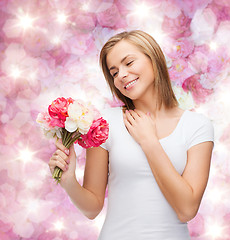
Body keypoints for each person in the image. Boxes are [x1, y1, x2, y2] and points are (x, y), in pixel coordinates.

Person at [49, 30, 214, 240]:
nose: (122, 75)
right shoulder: (104, 123)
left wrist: (149, 142)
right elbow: (92, 209)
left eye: (129, 62)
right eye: (114, 72)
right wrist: (69, 181)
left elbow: (187, 210)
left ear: (153, 58)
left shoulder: (197, 126)